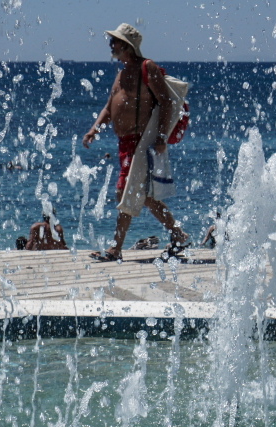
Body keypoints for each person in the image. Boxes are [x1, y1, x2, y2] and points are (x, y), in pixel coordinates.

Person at [83, 23, 188, 262]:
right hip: (124, 144)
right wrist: (93, 129)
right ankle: (178, 234)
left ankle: (114, 249)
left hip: (141, 142)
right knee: (146, 196)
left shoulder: (146, 67)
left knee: (124, 191)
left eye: (115, 41)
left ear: (127, 45)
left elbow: (167, 102)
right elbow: (109, 107)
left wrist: (161, 137)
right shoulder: (121, 73)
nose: (111, 45)